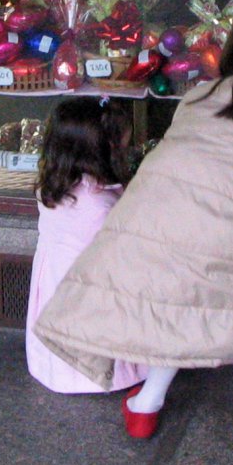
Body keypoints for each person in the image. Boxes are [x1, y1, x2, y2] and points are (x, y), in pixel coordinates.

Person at [35, 4, 233, 455]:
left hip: (138, 238)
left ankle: (147, 401)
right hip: (207, 248)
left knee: (177, 296)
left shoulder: (197, 98)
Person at [25, 98, 147, 394]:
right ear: (100, 150)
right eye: (119, 146)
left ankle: (54, 367)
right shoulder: (100, 203)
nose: (124, 151)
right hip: (89, 296)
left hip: (56, 287)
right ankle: (114, 372)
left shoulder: (53, 184)